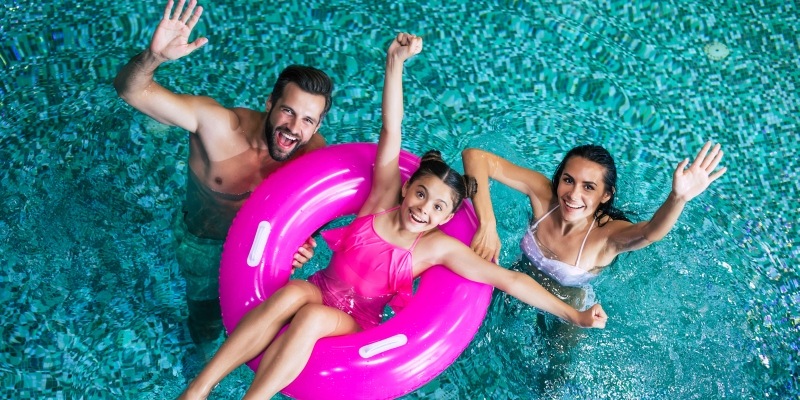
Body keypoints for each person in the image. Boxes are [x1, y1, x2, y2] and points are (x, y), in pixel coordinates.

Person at [178, 32, 607, 400]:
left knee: (307, 316)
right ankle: (199, 389)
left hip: (351, 319)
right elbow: (392, 129)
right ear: (406, 188)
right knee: (291, 295)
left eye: (438, 207)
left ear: (446, 217)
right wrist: (394, 64)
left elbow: (509, 279)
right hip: (318, 288)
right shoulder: (382, 201)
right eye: (421, 194)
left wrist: (573, 315)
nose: (423, 208)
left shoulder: (436, 246)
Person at [113, 0, 332, 354]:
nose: (294, 129)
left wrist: (304, 242)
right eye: (288, 111)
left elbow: (319, 210)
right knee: (207, 326)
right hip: (203, 243)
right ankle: (195, 356)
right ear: (269, 104)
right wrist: (154, 58)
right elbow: (129, 89)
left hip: (257, 249)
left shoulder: (311, 150)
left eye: (308, 120)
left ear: (318, 124)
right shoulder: (216, 125)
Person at [462, 142, 727, 289]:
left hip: (566, 307)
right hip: (519, 276)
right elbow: (475, 157)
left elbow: (650, 233)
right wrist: (487, 223)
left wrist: (677, 198)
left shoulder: (606, 236)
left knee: (553, 377)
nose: (573, 195)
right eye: (568, 180)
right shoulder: (544, 196)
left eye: (589, 187)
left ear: (606, 195)